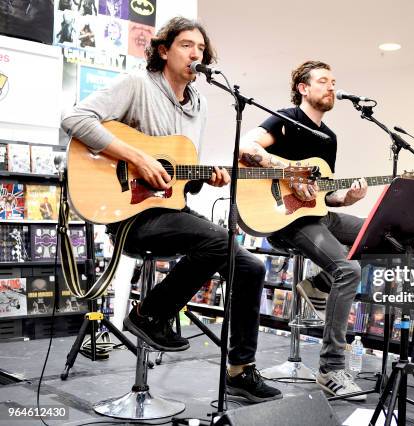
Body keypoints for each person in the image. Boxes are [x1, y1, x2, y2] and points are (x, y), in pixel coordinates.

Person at [61, 17, 281, 403]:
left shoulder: (200, 106)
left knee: (252, 265)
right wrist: (137, 158)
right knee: (215, 240)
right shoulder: (137, 85)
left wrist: (204, 178)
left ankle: (240, 370)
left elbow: (177, 178)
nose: (195, 53)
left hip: (169, 210)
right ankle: (149, 313)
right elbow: (75, 119)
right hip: (130, 216)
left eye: (201, 48)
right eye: (186, 45)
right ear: (163, 50)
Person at [240, 60, 368, 400]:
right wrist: (290, 172)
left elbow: (327, 196)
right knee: (348, 268)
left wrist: (350, 196)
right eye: (323, 81)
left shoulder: (329, 138)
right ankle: (331, 370)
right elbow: (248, 149)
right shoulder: (284, 119)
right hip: (286, 219)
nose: (331, 87)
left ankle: (317, 287)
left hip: (318, 216)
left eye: (333, 82)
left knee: (381, 237)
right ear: (303, 88)